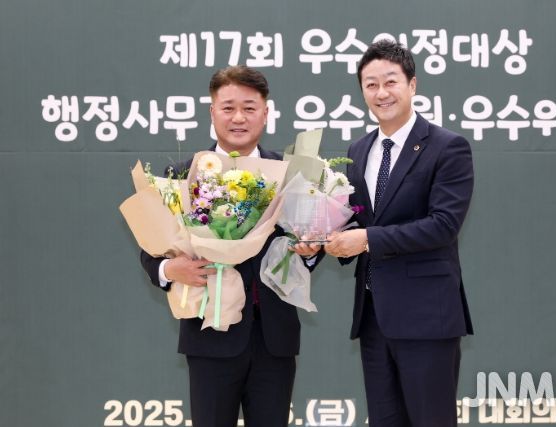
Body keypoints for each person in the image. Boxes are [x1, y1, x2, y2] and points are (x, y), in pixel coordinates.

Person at [140, 65, 321, 427]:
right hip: (210, 337)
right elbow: (153, 251)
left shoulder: (292, 174)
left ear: (265, 113)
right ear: (212, 112)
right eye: (228, 108)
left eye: (249, 108)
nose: (239, 117)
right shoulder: (183, 175)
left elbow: (310, 243)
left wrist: (312, 251)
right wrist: (170, 269)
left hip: (274, 339)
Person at [324, 40, 474, 427]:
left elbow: (443, 225)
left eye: (390, 81)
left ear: (412, 85)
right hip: (374, 317)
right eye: (371, 84)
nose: (381, 93)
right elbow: (356, 221)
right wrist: (325, 240)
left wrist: (366, 240)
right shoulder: (358, 150)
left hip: (427, 318)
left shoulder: (448, 147)